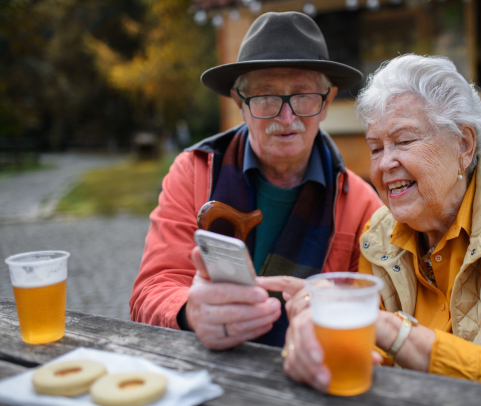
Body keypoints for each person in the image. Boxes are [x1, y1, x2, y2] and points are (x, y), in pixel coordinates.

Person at [275, 54, 481, 399]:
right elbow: (371, 367)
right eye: (375, 147)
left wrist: (396, 332)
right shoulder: (380, 234)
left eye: (403, 141)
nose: (385, 163)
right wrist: (314, 345)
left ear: (463, 144)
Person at [129, 12, 382, 350]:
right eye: (266, 97)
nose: (287, 117)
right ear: (239, 103)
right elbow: (152, 290)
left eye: (303, 96)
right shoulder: (193, 174)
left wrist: (324, 307)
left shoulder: (361, 203)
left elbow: (375, 310)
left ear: (326, 102)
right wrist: (191, 310)